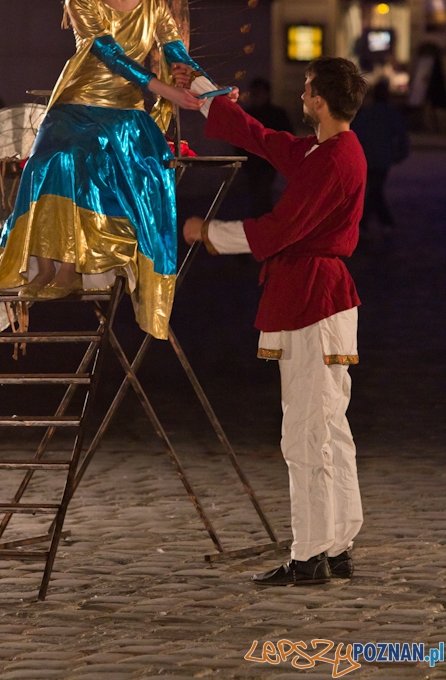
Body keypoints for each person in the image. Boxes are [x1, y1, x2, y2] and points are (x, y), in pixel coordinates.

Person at [182, 58, 368, 585]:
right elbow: (264, 140)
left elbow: (280, 228)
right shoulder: (326, 150)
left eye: (307, 90)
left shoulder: (332, 159)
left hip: (314, 300)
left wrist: (209, 233)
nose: (301, 97)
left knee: (306, 432)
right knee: (329, 427)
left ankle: (309, 555)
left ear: (320, 102)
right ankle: (336, 544)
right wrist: (203, 90)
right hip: (320, 297)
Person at [0, 0, 208, 340]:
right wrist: (162, 87)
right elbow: (109, 54)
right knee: (48, 162)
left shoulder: (153, 3)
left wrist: (209, 90)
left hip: (124, 112)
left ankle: (70, 269)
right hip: (76, 102)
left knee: (84, 159)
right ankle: (46, 266)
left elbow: (178, 55)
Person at [351, 78, 409, 233]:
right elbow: (401, 137)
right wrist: (399, 154)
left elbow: (355, 134)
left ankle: (367, 222)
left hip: (367, 158)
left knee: (374, 190)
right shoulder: (391, 114)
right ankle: (381, 222)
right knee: (375, 191)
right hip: (382, 159)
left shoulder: (365, 114)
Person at [241, 77, 293, 216]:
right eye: (254, 93)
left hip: (270, 163)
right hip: (252, 163)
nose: (256, 97)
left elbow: (287, 136)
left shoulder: (276, 114)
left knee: (264, 194)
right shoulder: (248, 114)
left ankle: (265, 221)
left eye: (259, 93)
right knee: (256, 195)